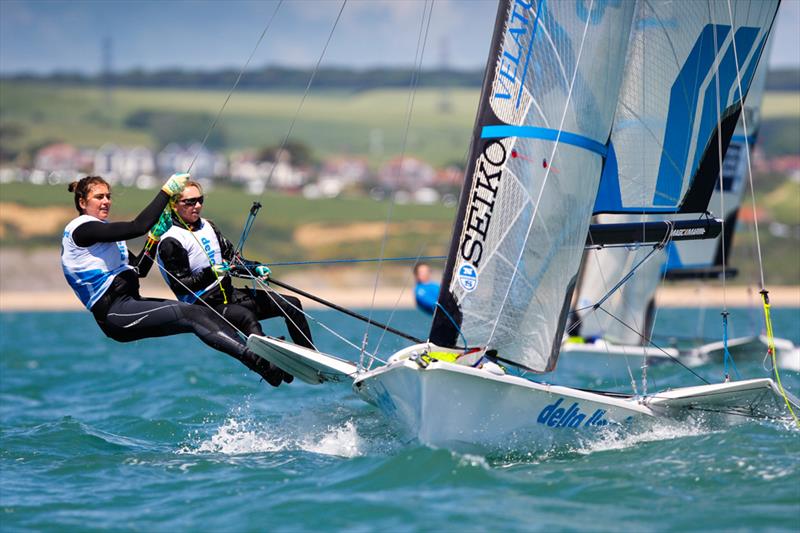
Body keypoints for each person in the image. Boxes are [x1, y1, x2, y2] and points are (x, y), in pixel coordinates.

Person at [61, 174, 288, 387]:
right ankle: (258, 361)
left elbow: (139, 270)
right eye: (99, 197)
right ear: (82, 202)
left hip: (130, 304)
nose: (106, 201)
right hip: (114, 313)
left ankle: (270, 369)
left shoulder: (106, 236)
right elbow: (136, 226)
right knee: (192, 314)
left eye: (108, 196)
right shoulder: (81, 230)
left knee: (201, 314)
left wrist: (154, 238)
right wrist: (166, 192)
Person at [156, 181, 314, 351]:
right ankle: (269, 363)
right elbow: (181, 286)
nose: (198, 205)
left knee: (291, 303)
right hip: (205, 306)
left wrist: (254, 268)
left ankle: (312, 357)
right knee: (246, 317)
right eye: (190, 202)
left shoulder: (208, 226)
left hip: (230, 295)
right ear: (174, 204)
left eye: (200, 200)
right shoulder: (171, 240)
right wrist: (211, 273)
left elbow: (233, 260)